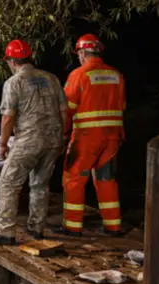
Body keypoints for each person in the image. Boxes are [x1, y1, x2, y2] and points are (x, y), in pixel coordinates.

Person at [0, 40, 67, 245]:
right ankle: (36, 228)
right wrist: (63, 136)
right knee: (40, 184)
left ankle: (5, 232)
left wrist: (3, 144)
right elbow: (65, 112)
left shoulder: (14, 82)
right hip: (53, 140)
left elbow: (8, 117)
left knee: (7, 183)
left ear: (11, 61)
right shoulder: (51, 78)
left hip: (29, 140)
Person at [53, 34, 126, 237]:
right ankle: (113, 226)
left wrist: (62, 134)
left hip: (87, 137)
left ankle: (72, 226)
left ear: (83, 53)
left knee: (74, 178)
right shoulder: (117, 75)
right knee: (106, 179)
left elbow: (67, 110)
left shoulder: (79, 75)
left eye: (79, 54)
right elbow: (122, 106)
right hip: (113, 137)